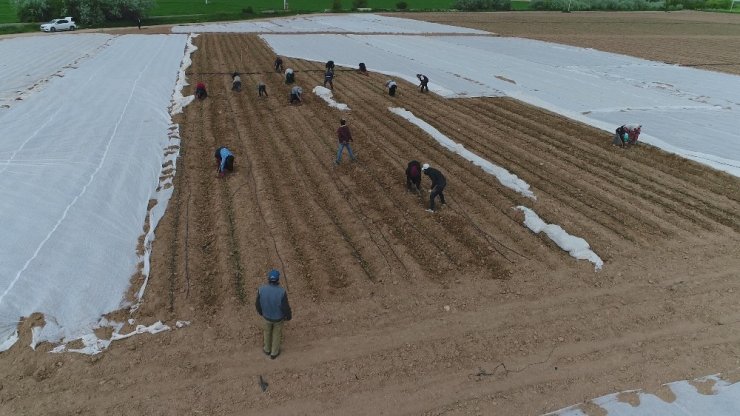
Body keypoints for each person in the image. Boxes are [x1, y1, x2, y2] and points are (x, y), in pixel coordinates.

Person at [255, 269, 292, 360]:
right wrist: (288, 316)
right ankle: (274, 353)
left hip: (266, 316)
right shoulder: (282, 292)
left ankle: (267, 349)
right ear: (278, 280)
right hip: (278, 318)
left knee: (267, 332)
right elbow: (285, 307)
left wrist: (261, 312)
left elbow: (257, 304)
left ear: (268, 279)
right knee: (276, 334)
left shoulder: (261, 289)